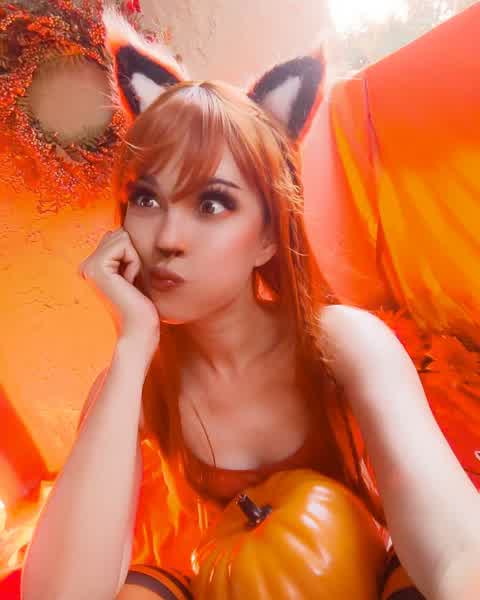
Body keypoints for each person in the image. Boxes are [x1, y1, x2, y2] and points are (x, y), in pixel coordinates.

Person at [21, 14, 480, 600]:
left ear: (267, 237)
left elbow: (458, 551)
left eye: (212, 204)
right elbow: (60, 595)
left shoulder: (343, 342)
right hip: (232, 583)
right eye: (147, 199)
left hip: (368, 578)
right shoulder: (136, 383)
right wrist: (132, 348)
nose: (167, 238)